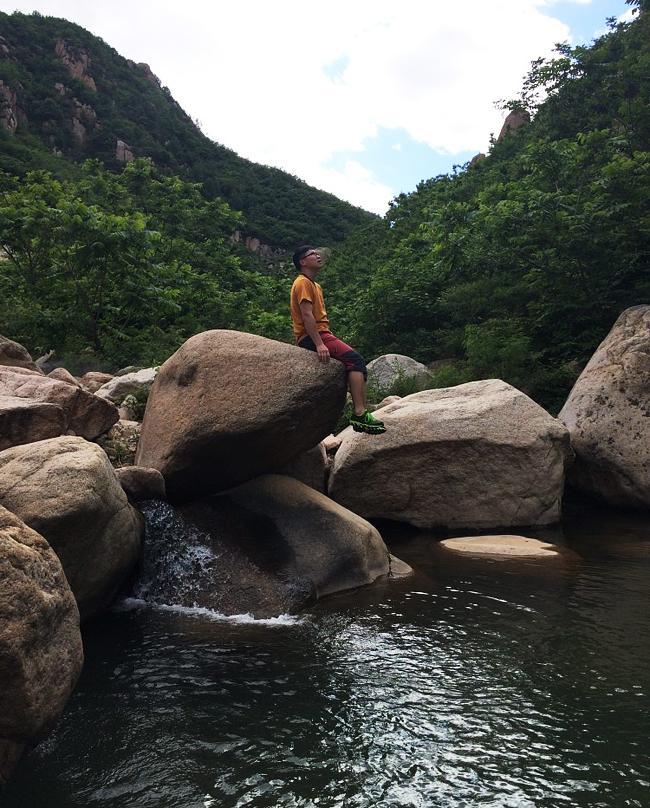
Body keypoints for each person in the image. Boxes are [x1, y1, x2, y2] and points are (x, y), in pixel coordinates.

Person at [290, 245, 386, 435]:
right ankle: (360, 414)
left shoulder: (315, 285)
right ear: (303, 262)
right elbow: (307, 315)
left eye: (317, 253)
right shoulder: (302, 283)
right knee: (355, 360)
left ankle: (362, 410)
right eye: (312, 254)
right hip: (312, 336)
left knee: (353, 363)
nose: (317, 256)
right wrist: (319, 343)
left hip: (322, 334)